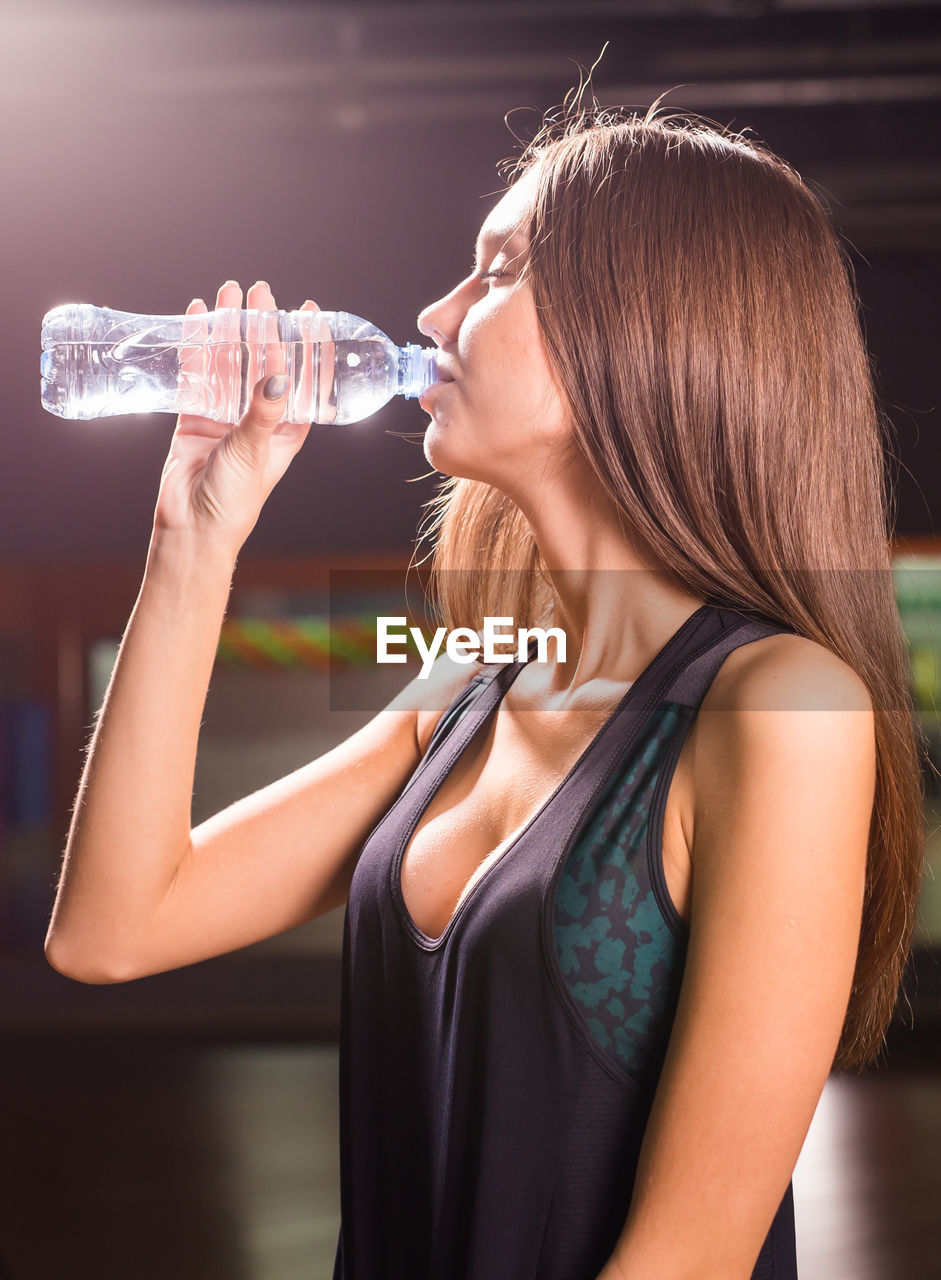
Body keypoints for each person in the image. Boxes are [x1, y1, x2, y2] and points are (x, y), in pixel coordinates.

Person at [44, 100, 926, 1280]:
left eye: (498, 271)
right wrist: (192, 534)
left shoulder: (780, 708)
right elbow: (112, 926)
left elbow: (685, 1258)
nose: (431, 314)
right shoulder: (467, 682)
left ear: (643, 327)